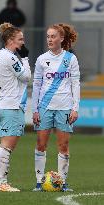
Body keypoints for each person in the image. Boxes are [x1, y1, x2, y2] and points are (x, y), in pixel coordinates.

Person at [32, 23, 80, 192]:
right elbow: (37, 85)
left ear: (61, 38)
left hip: (65, 107)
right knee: (41, 145)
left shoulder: (70, 59)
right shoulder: (41, 59)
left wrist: (75, 108)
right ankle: (39, 182)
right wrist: (35, 109)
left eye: (53, 36)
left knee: (64, 146)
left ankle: (63, 183)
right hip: (44, 108)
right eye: (48, 36)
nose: (50, 39)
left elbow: (75, 84)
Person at [0, 22, 31, 192]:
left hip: (3, 104)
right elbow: (26, 77)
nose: (23, 42)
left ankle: (2, 182)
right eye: (20, 39)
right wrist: (26, 58)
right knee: (7, 147)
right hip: (11, 107)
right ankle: (2, 183)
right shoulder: (11, 57)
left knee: (5, 146)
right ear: (10, 40)